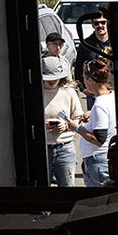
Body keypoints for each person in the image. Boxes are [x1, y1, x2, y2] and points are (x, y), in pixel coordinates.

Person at [42, 55, 83, 186]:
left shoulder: (69, 92)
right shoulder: (36, 92)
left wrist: (65, 126)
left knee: (67, 190)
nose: (51, 81)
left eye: (54, 78)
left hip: (65, 147)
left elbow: (79, 118)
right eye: (48, 78)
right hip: (43, 146)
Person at [76, 57, 116, 187]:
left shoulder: (100, 105)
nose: (84, 83)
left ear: (89, 80)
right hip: (104, 158)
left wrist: (76, 127)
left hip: (98, 160)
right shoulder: (111, 96)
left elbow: (99, 139)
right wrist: (91, 114)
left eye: (84, 78)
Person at [76, 9, 112, 107]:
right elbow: (78, 68)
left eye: (103, 22)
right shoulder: (85, 44)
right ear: (92, 25)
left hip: (112, 92)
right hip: (93, 94)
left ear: (107, 23)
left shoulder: (117, 43)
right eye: (96, 23)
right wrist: (83, 88)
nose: (100, 26)